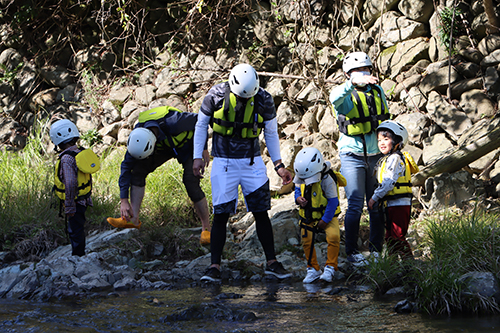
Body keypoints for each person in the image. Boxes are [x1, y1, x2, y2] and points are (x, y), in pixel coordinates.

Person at [193, 63, 293, 282]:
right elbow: (201, 125)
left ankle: (272, 262)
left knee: (261, 212)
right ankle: (214, 266)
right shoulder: (216, 95)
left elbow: (272, 133)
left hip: (252, 163)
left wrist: (279, 165)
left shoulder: (264, 98)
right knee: (220, 214)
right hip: (223, 163)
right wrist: (197, 157)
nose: (246, 100)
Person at [107, 105, 212, 245]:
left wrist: (203, 149)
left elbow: (202, 121)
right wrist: (124, 200)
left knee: (190, 182)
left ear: (153, 144)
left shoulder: (175, 122)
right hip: (165, 146)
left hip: (187, 145)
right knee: (138, 171)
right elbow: (126, 168)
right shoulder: (138, 138)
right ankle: (133, 219)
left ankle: (207, 229)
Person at [329, 51, 391, 266]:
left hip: (376, 155)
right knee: (355, 204)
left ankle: (375, 250)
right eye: (357, 71)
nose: (364, 74)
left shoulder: (377, 91)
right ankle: (352, 252)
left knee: (376, 203)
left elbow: (385, 118)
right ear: (348, 74)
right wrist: (354, 82)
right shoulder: (346, 96)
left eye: (366, 70)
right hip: (352, 155)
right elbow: (333, 97)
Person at [293, 147, 345, 284]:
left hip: (327, 215)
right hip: (308, 215)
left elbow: (333, 201)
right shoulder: (301, 174)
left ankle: (331, 266)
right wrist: (298, 199)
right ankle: (313, 268)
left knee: (333, 236)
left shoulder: (327, 179)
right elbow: (297, 190)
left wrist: (325, 220)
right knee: (306, 239)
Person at [368, 120, 419, 259]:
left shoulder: (395, 159)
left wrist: (374, 197)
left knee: (397, 236)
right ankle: (394, 266)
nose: (381, 143)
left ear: (397, 141)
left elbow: (389, 182)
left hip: (399, 204)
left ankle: (409, 265)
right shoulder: (388, 158)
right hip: (391, 204)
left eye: (386, 139)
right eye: (379, 140)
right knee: (390, 236)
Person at [50, 119, 99, 256]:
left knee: (75, 230)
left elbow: (71, 183)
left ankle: (78, 257)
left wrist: (69, 205)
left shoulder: (66, 159)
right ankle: (79, 253)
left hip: (75, 201)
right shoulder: (80, 152)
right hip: (83, 199)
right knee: (78, 228)